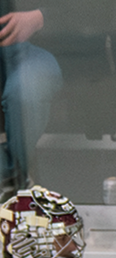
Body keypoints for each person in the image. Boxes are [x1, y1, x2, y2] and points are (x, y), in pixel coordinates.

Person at [0, 8, 60, 189]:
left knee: (24, 92)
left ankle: (12, 178)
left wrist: (40, 16)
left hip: (37, 49)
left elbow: (99, 9)